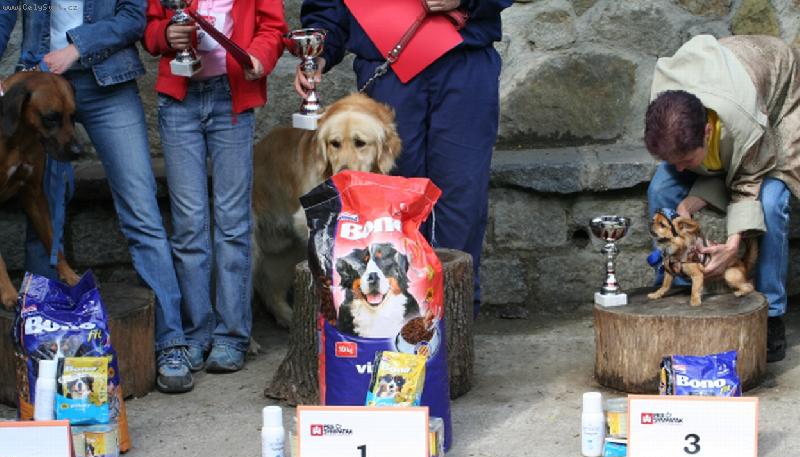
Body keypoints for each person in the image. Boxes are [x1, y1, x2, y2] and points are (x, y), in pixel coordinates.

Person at [0, 0, 199, 393]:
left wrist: (77, 47)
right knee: (44, 210)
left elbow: (131, 17)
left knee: (141, 211)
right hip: (38, 85)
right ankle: (43, 348)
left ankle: (170, 343)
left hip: (108, 83)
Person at [296, 0, 512, 316]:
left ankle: (452, 323)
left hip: (464, 61)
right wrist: (320, 50)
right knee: (391, 203)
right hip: (389, 65)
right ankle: (395, 321)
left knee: (462, 199)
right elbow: (328, 6)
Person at [143, 1, 286, 372]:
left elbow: (273, 27)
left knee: (233, 222)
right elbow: (150, 27)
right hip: (179, 101)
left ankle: (232, 335)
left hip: (232, 99)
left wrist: (259, 56)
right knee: (189, 224)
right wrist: (164, 34)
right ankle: (197, 331)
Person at [645, 34, 799, 362]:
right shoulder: (665, 107)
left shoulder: (743, 121)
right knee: (662, 188)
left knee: (771, 201)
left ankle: (770, 313)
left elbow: (747, 178)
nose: (682, 168)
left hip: (776, 103)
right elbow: (695, 166)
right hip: (722, 85)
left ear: (707, 132)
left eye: (686, 160)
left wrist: (732, 246)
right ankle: (679, 288)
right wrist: (686, 205)